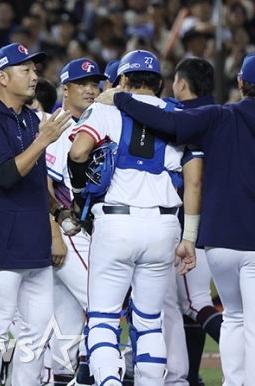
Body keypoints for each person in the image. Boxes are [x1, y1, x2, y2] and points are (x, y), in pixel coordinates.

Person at [97, 52, 255, 386]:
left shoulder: (220, 116)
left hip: (220, 241)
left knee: (234, 319)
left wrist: (123, 98)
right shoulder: (219, 114)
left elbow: (169, 124)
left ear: (241, 83)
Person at [68, 50, 197, 386]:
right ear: (159, 83)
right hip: (164, 225)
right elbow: (194, 178)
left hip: (116, 221)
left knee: (103, 319)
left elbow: (78, 152)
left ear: (123, 80)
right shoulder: (178, 114)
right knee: (150, 321)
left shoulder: (106, 110)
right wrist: (189, 236)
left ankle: (109, 381)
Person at [0, 43, 73, 386]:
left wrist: (55, 214)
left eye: (35, 69)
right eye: (25, 69)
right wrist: (42, 142)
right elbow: (4, 176)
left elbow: (36, 181)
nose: (34, 76)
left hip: (33, 244)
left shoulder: (30, 118)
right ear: (2, 76)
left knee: (37, 334)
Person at [46, 57, 106, 386]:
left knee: (67, 323)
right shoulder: (63, 125)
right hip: (68, 232)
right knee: (100, 302)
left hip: (82, 231)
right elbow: (46, 186)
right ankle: (92, 376)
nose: (90, 89)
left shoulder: (96, 120)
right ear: (65, 89)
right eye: (82, 84)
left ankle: (64, 377)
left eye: (94, 83)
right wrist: (56, 234)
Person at [170, 57, 222, 386]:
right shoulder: (225, 114)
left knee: (194, 303)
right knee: (194, 303)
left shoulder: (179, 118)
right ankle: (191, 377)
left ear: (182, 85)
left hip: (189, 225)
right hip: (226, 226)